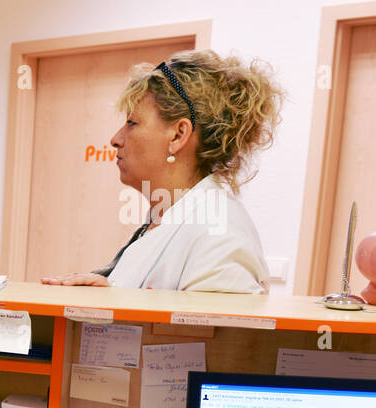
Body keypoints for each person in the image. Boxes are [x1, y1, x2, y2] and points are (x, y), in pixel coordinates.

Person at [42, 50, 283, 293]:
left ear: (178, 135)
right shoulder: (164, 221)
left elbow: (212, 329)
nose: (115, 140)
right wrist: (109, 296)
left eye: (132, 123)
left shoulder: (219, 233)